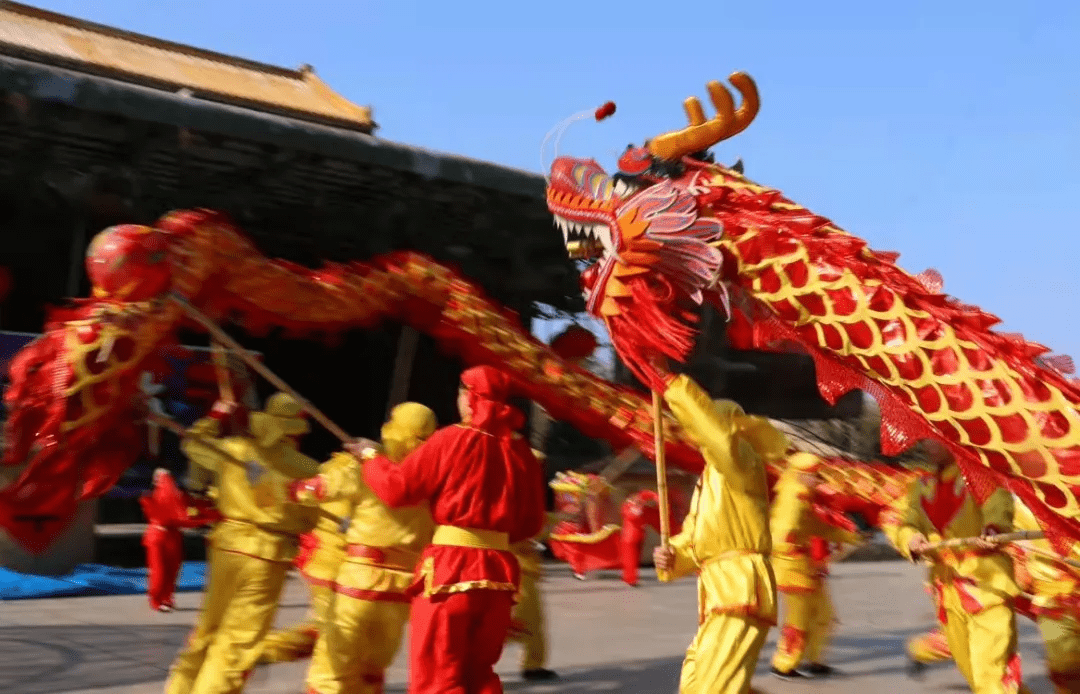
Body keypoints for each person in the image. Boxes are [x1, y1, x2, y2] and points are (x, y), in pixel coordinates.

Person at [356, 365, 547, 694]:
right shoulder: (522, 454)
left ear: (469, 398)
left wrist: (371, 457)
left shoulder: (451, 439)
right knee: (480, 675)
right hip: (499, 574)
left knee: (437, 673)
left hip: (451, 569)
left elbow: (397, 488)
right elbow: (531, 523)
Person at [164, 393, 323, 694]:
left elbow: (192, 443)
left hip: (227, 547)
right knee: (238, 641)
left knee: (208, 630)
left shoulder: (234, 450)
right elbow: (313, 519)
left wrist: (217, 415)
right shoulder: (307, 468)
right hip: (266, 555)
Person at [652, 372, 788, 694]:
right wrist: (670, 555)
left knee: (713, 690)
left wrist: (672, 385)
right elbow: (693, 540)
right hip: (719, 593)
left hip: (740, 588)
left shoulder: (743, 462)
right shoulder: (709, 479)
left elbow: (719, 439)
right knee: (694, 683)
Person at [291, 402, 438, 694]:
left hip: (359, 582)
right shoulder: (435, 477)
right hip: (401, 588)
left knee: (332, 670)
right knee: (371, 672)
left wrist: (288, 487)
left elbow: (314, 491)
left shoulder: (367, 469)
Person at [883, 439, 1030, 694]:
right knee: (973, 671)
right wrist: (910, 539)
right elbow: (905, 521)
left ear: (954, 440)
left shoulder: (981, 478)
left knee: (989, 671)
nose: (930, 446)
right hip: (947, 590)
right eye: (927, 439)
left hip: (987, 585)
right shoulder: (921, 487)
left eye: (937, 440)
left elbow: (999, 509)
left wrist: (993, 529)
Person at [769, 452, 865, 679]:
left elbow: (817, 528)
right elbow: (782, 534)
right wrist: (790, 550)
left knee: (823, 614)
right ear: (801, 476)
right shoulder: (794, 498)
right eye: (814, 475)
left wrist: (852, 537)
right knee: (798, 620)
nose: (818, 480)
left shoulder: (802, 498)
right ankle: (784, 664)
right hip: (793, 569)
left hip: (804, 566)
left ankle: (815, 659)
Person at [256, 451, 353, 664]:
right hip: (334, 568)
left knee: (337, 631)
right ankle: (263, 651)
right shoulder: (353, 478)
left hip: (325, 564)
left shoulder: (326, 475)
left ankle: (264, 650)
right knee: (332, 632)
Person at [506, 449, 559, 682]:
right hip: (509, 565)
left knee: (533, 619)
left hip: (523, 566)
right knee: (518, 617)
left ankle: (534, 665)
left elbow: (539, 521)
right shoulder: (507, 491)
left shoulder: (528, 494)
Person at [140, 468, 219, 613]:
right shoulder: (153, 496)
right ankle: (157, 600)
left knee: (172, 570)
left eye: (164, 476)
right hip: (158, 537)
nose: (161, 479)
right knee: (159, 571)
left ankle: (166, 599)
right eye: (158, 477)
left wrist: (212, 512)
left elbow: (192, 508)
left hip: (173, 537)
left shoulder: (178, 496)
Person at [619, 487, 684, 587]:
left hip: (638, 536)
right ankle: (630, 579)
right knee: (629, 559)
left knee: (635, 559)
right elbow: (633, 515)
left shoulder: (640, 506)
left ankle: (631, 578)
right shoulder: (628, 507)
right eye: (635, 498)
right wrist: (640, 505)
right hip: (628, 538)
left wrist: (656, 499)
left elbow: (647, 494)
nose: (637, 500)